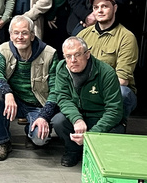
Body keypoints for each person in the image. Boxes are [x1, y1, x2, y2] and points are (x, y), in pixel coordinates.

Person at [0, 15, 59, 161]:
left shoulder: (50, 54)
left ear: (32, 35)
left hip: (37, 105)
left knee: (40, 139)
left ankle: (30, 131)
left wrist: (44, 116)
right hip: (13, 101)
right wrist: (7, 93)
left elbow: (56, 89)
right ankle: (2, 141)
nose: (20, 37)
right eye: (16, 33)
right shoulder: (3, 50)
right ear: (10, 35)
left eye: (24, 33)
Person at [52, 36, 125, 167]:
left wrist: (91, 135)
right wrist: (77, 119)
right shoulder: (62, 68)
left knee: (117, 130)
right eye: (68, 56)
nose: (73, 60)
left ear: (87, 54)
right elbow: (63, 98)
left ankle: (94, 152)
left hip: (99, 117)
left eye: (77, 55)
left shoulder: (106, 72)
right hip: (78, 116)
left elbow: (114, 110)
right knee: (58, 121)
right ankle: (73, 150)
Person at [77, 0, 138, 119]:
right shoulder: (82, 35)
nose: (99, 10)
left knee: (123, 93)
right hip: (86, 87)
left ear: (115, 8)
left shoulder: (127, 37)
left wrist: (95, 91)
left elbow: (122, 80)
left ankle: (116, 125)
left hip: (111, 89)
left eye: (104, 6)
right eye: (96, 7)